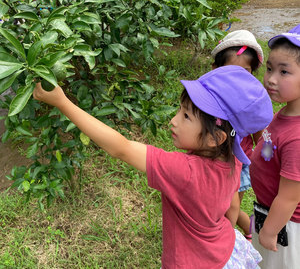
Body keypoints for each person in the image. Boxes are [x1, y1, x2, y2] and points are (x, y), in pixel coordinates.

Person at [33, 65, 273, 268]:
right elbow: (231, 203)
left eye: (186, 116)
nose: (174, 120)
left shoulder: (185, 171)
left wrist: (62, 103)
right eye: (180, 110)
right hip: (224, 251)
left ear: (216, 138)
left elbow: (121, 148)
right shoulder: (233, 159)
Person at [250, 24, 300, 269]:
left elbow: (290, 197)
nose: (270, 79)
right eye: (269, 68)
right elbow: (269, 152)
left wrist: (270, 231)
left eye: (284, 72)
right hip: (266, 213)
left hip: (285, 227)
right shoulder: (283, 115)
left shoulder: (297, 137)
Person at [211, 30, 264, 241]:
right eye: (230, 70)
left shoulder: (251, 104)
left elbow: (260, 139)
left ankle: (227, 243)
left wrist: (267, 164)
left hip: (237, 163)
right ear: (215, 69)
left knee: (230, 206)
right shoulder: (207, 98)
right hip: (211, 160)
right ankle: (249, 228)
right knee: (217, 206)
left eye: (245, 72)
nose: (237, 78)